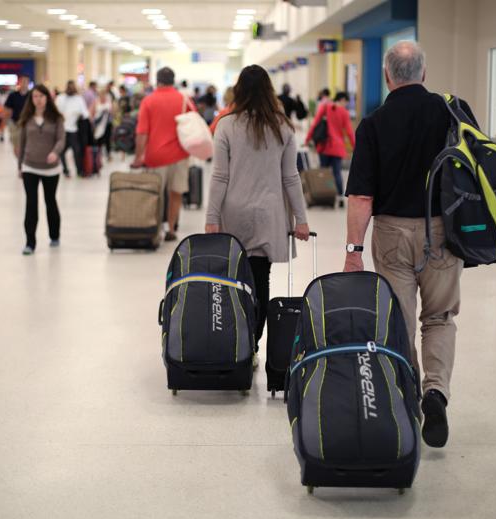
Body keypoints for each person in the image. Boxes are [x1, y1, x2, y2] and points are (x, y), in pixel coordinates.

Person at [344, 41, 478, 448]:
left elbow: (361, 197)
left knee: (399, 323)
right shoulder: (452, 112)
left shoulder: (374, 123)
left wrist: (354, 252)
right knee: (438, 318)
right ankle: (436, 392)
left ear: (388, 76)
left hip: (391, 234)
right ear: (423, 73)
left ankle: (408, 398)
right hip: (442, 230)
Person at [205, 65, 310, 366]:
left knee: (234, 280)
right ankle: (252, 345)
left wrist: (212, 217)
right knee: (261, 279)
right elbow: (291, 177)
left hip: (233, 211)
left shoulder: (226, 126)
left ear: (238, 90)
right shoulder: (283, 127)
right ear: (269, 90)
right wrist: (301, 219)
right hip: (268, 213)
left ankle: (236, 341)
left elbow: (219, 177)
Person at [131, 67, 196, 242]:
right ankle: (172, 229)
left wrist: (138, 157)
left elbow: (142, 133)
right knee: (176, 193)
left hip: (155, 156)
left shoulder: (148, 101)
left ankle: (156, 228)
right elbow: (194, 126)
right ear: (173, 80)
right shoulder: (185, 100)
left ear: (157, 81)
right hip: (180, 154)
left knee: (156, 194)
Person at [17, 84, 65, 256]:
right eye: (35, 96)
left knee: (50, 201)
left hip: (51, 168)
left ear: (47, 98)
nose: (38, 100)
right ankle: (30, 242)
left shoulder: (56, 118)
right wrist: (19, 166)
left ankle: (54, 235)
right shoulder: (26, 118)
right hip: (29, 165)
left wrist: (55, 152)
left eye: (41, 96)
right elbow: (21, 143)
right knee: (31, 204)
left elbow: (61, 139)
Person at [306, 91, 355, 207]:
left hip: (324, 146)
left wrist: (307, 138)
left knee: (324, 172)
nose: (346, 104)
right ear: (342, 99)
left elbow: (315, 124)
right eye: (346, 102)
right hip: (337, 147)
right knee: (337, 172)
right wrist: (355, 147)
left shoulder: (325, 108)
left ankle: (324, 195)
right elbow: (349, 132)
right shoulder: (344, 112)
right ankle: (340, 198)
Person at [55, 81, 89, 178]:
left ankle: (79, 171)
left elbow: (85, 113)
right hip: (63, 130)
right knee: (61, 151)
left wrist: (79, 116)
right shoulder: (60, 98)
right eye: (69, 87)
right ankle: (66, 170)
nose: (70, 89)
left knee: (77, 151)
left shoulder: (79, 99)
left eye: (72, 87)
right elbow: (56, 111)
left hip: (74, 130)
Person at [4, 74, 31, 158]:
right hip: (15, 123)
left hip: (28, 123)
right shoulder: (13, 95)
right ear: (19, 82)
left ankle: (26, 162)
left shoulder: (32, 95)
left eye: (26, 82)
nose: (24, 83)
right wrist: (6, 122)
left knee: (28, 145)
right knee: (17, 146)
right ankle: (20, 164)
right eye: (22, 81)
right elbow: (7, 109)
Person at [93, 89, 113, 164]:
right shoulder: (96, 101)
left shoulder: (108, 102)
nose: (103, 96)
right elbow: (93, 112)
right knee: (99, 140)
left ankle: (108, 154)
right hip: (99, 124)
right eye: (101, 94)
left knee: (107, 140)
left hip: (107, 124)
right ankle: (99, 155)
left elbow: (111, 112)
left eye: (104, 94)